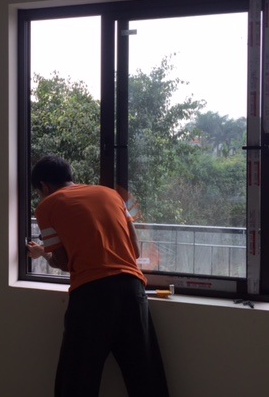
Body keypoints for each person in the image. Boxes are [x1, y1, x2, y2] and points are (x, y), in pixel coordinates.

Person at [27, 155, 169, 397]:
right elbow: (134, 250)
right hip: (132, 290)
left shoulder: (47, 206)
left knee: (76, 381)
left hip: (91, 296)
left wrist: (43, 254)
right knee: (146, 378)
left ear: (44, 186)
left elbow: (63, 261)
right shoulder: (111, 195)